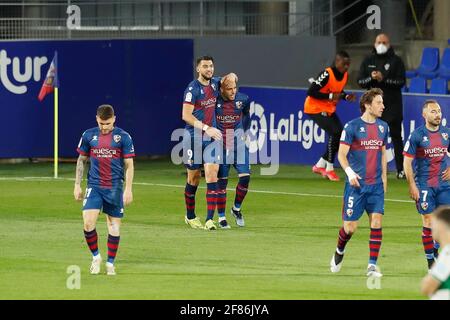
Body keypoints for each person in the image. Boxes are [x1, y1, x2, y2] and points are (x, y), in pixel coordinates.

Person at [329, 88, 388, 278]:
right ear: (368, 105)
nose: (383, 106)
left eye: (382, 102)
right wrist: (349, 172)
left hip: (376, 186)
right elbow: (341, 155)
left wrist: (385, 180)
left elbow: (383, 155)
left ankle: (371, 266)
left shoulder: (383, 127)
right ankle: (339, 250)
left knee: (377, 223)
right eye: (379, 103)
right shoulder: (352, 127)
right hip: (356, 187)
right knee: (350, 228)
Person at [74, 104, 135, 276]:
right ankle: (96, 257)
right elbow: (81, 160)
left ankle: (110, 263)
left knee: (113, 226)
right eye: (101, 123)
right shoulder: (88, 135)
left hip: (115, 188)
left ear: (114, 119)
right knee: (87, 223)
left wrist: (128, 189)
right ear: (97, 119)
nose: (104, 127)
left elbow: (129, 165)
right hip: (94, 186)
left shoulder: (123, 137)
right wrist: (77, 185)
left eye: (107, 123)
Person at [182, 55, 237, 230]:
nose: (209, 69)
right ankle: (190, 216)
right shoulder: (192, 89)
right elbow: (186, 116)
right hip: (193, 137)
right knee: (194, 178)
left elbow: (232, 78)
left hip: (211, 138)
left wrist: (231, 77)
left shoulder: (215, 83)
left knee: (212, 174)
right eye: (205, 66)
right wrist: (207, 128)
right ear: (198, 69)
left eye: (211, 66)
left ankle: (209, 219)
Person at [403, 100, 450, 270]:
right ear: (424, 115)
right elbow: (407, 163)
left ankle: (436, 250)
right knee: (429, 221)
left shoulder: (447, 133)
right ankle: (430, 261)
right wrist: (412, 185)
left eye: (438, 111)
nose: (438, 114)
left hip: (444, 185)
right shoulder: (417, 135)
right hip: (424, 185)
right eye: (433, 111)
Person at [357, 33, 406, 179]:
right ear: (374, 43)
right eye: (379, 42)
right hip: (373, 106)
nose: (381, 44)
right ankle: (370, 169)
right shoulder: (368, 61)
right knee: (371, 138)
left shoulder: (396, 61)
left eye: (384, 42)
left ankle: (400, 170)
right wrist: (370, 78)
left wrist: (383, 79)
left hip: (393, 104)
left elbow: (401, 82)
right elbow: (360, 82)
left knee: (396, 137)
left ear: (389, 44)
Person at [304, 50, 356, 181]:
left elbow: (338, 91)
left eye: (348, 64)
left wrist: (345, 96)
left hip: (328, 109)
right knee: (336, 133)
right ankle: (329, 169)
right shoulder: (327, 74)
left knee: (340, 134)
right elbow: (311, 92)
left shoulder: (344, 76)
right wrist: (331, 96)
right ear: (337, 62)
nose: (346, 67)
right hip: (314, 108)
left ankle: (319, 165)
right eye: (344, 64)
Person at [215, 77, 251, 229]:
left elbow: (247, 115)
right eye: (229, 88)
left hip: (238, 143)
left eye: (235, 88)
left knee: (245, 177)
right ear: (221, 89)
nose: (233, 91)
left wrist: (245, 131)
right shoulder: (214, 101)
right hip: (221, 144)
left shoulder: (243, 99)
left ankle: (236, 209)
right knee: (222, 182)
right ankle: (221, 217)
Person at [421, 206, 450, 300]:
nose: (432, 227)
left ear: (441, 226)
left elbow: (427, 287)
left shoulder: (447, 254)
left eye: (434, 224)